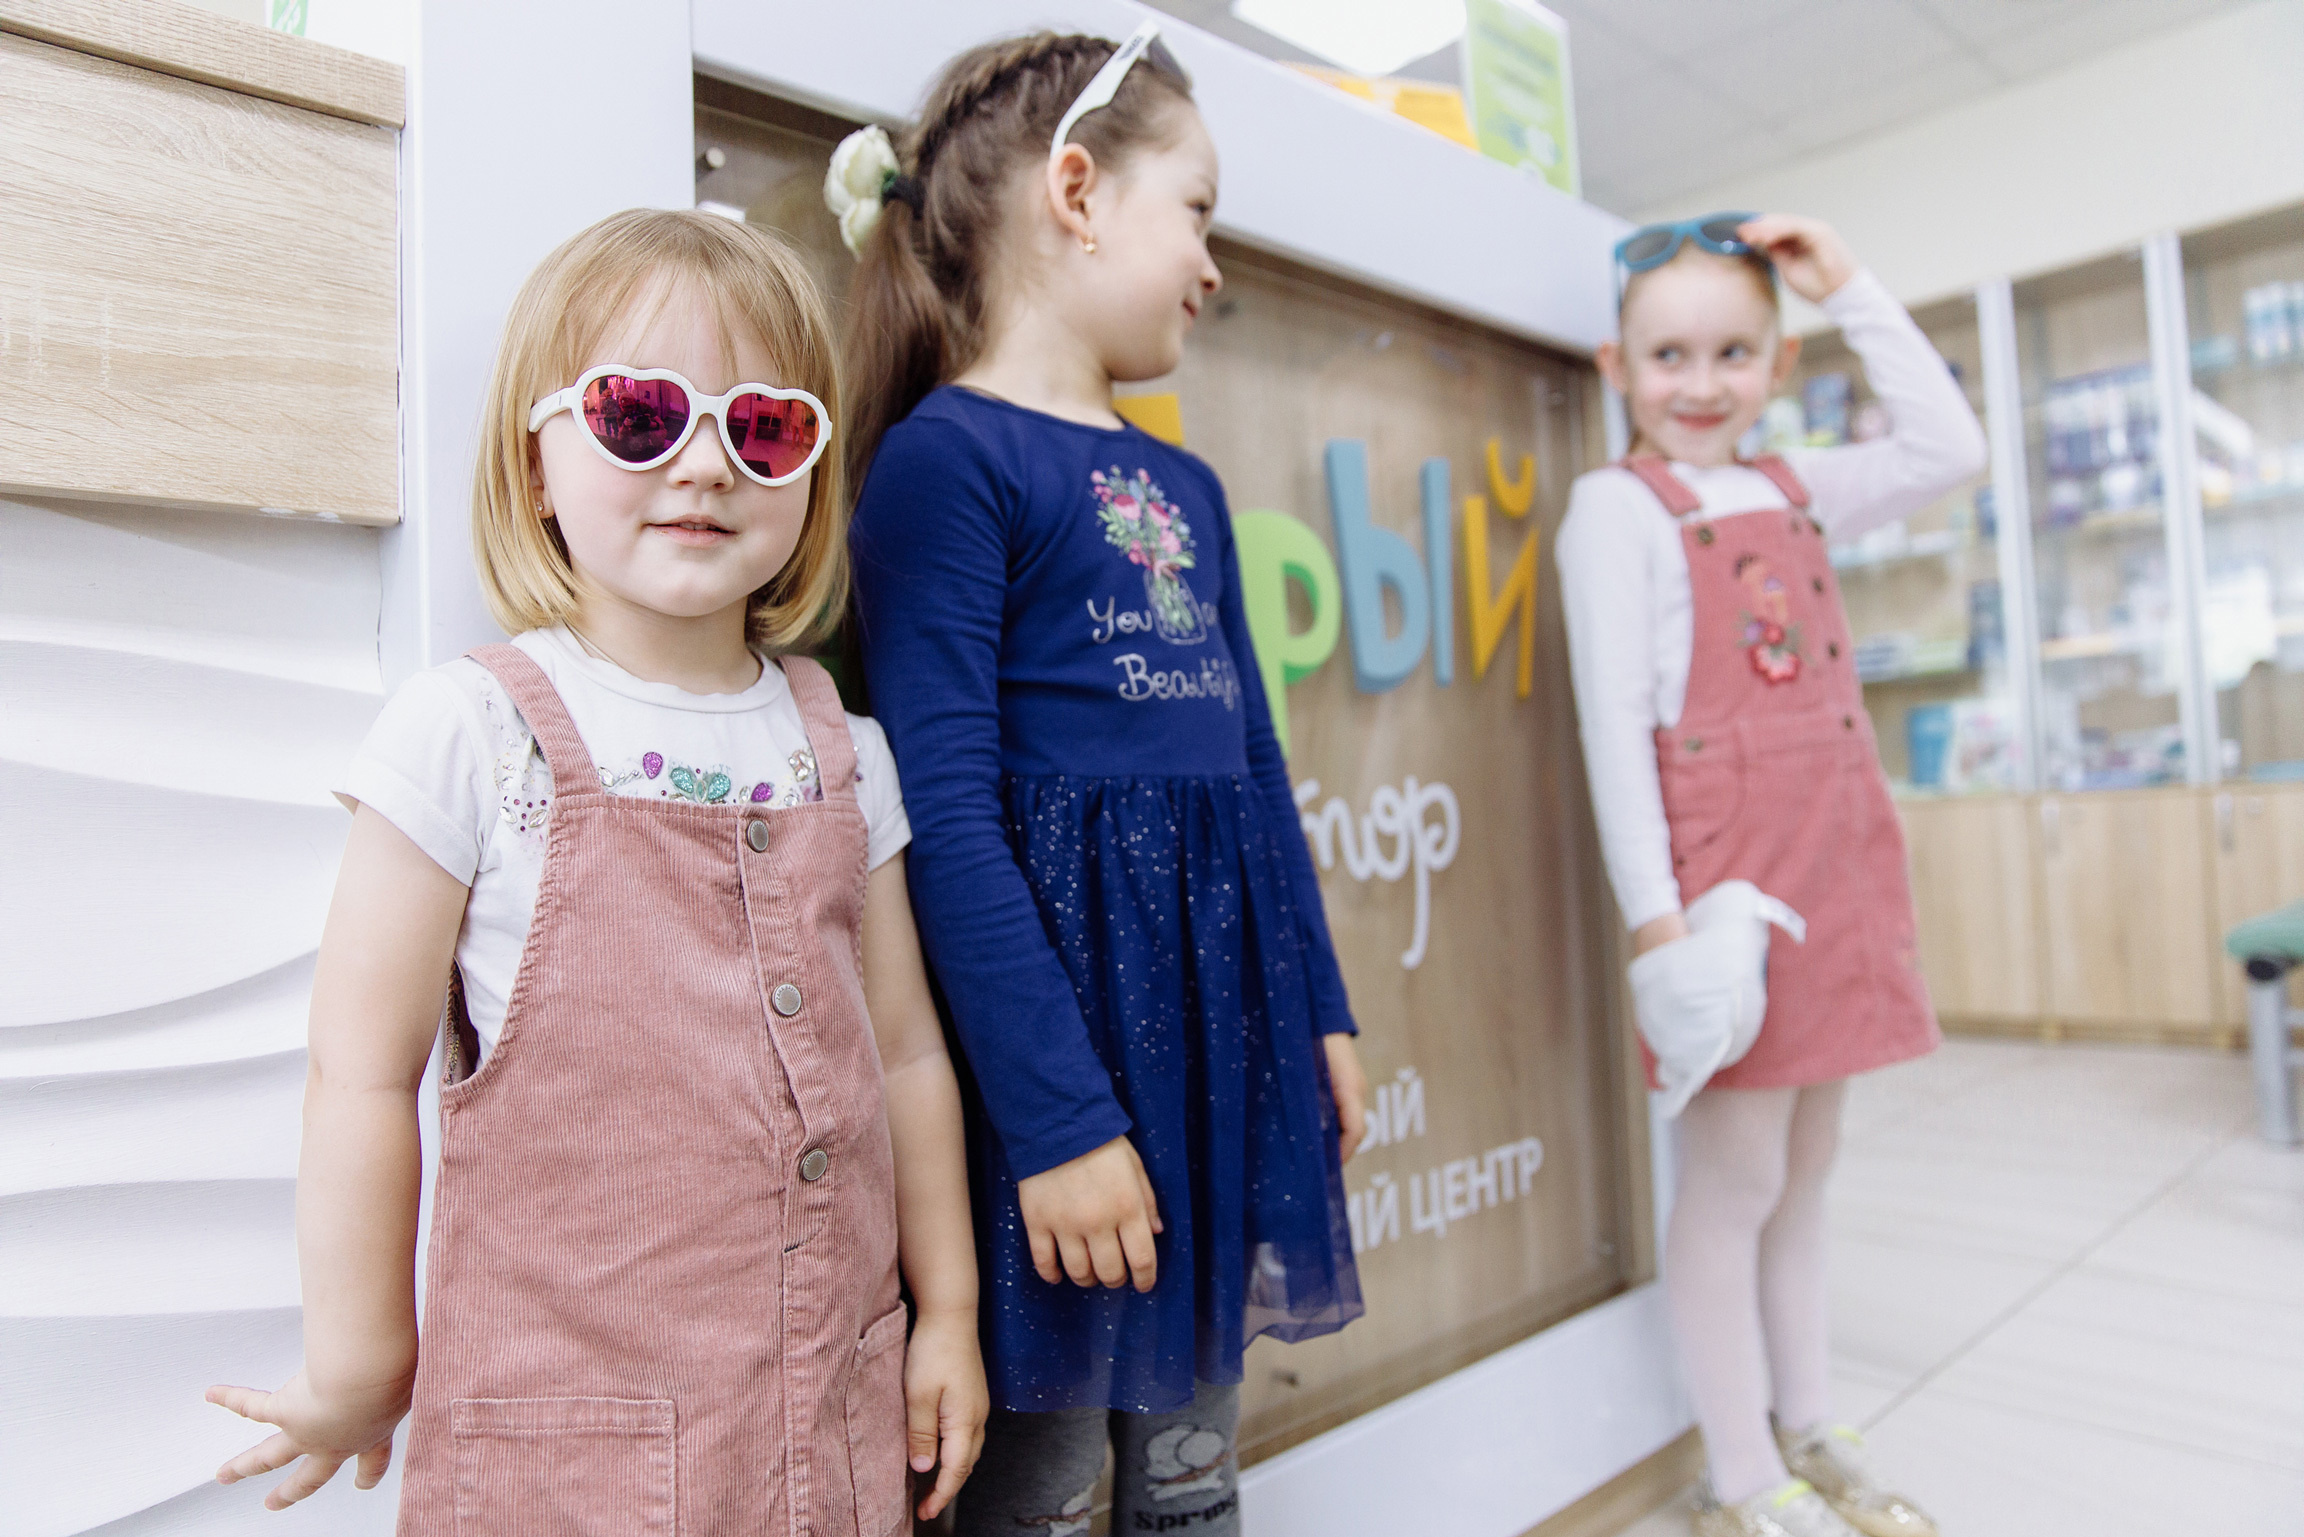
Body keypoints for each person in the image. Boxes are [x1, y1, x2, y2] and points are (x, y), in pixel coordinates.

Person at [204, 209, 987, 1535]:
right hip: (571, 1451)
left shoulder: (845, 754)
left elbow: (905, 1053)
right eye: (640, 414)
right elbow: (359, 1066)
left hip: (830, 1428)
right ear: (537, 465)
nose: (705, 463)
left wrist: (949, 1311)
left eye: (766, 427)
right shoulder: (472, 733)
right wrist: (358, 1352)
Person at [833, 24, 1365, 1537]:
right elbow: (944, 823)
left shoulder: (1184, 481)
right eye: (1196, 209)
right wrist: (1063, 1125)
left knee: (1194, 1469)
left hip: (1215, 1049)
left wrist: (1318, 1008)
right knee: (1051, 1481)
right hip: (1056, 1070)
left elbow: (1255, 773)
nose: (1212, 263)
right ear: (1078, 189)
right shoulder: (948, 469)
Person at [1557, 213, 1985, 1537]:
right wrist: (1654, 925)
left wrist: (1847, 277)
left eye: (1734, 351)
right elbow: (1615, 728)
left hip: (1835, 867)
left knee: (1807, 1177)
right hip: (1722, 896)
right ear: (1615, 366)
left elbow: (1950, 446)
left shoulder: (1798, 484)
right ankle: (1741, 1475)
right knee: (1733, 1183)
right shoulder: (1614, 510)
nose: (1701, 380)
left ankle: (1814, 1422)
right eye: (1669, 352)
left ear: (1776, 361)